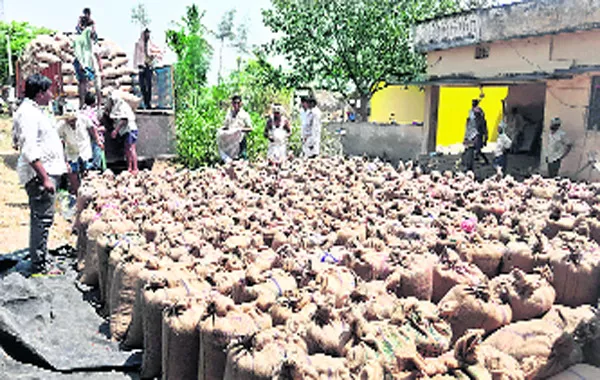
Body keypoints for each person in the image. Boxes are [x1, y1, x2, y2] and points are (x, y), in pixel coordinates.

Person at [12, 74, 66, 275]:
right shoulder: (28, 113)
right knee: (42, 219)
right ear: (40, 93)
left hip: (48, 170)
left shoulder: (34, 111)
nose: (52, 95)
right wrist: (44, 177)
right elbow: (28, 148)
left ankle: (41, 257)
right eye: (49, 91)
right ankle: (39, 266)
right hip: (39, 175)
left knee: (44, 218)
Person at [58, 111, 93, 195]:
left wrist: (98, 140)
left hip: (84, 149)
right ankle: (77, 193)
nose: (72, 122)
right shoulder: (61, 126)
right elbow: (58, 139)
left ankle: (88, 191)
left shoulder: (84, 119)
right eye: (70, 121)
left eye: (73, 120)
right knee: (72, 173)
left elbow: (92, 128)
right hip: (71, 152)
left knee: (87, 171)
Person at [106, 89, 139, 174]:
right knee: (127, 149)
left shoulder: (122, 106)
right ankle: (129, 167)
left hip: (130, 129)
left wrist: (116, 130)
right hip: (125, 131)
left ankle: (135, 167)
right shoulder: (117, 107)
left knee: (131, 148)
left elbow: (124, 120)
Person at [217, 95, 253, 163]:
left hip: (240, 140)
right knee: (230, 161)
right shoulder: (229, 113)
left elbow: (250, 128)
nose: (236, 105)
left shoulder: (244, 115)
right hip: (230, 141)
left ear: (241, 103)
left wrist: (240, 130)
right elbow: (226, 126)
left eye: (238, 103)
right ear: (232, 104)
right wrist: (221, 129)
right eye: (234, 103)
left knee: (242, 160)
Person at [134, 29, 162, 110]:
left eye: (148, 34)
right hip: (141, 66)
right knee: (142, 86)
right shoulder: (138, 44)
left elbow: (155, 52)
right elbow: (136, 56)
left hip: (148, 66)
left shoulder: (150, 44)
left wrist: (153, 56)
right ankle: (145, 102)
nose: (147, 36)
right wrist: (137, 66)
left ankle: (148, 103)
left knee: (149, 86)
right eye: (146, 34)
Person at [81, 92, 105, 171]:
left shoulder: (82, 111)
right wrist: (100, 130)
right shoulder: (91, 112)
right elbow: (91, 127)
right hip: (94, 137)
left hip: (85, 138)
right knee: (96, 160)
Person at [73, 26, 95, 108]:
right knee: (83, 83)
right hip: (82, 63)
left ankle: (85, 102)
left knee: (86, 83)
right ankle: (83, 103)